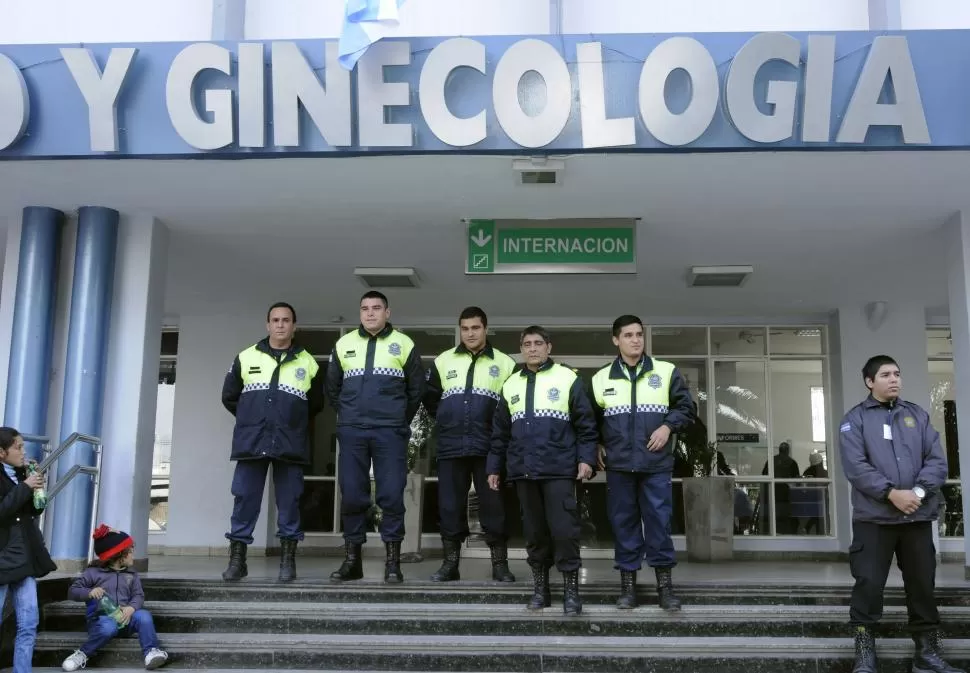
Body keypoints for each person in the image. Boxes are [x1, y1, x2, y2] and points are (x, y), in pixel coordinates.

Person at [839, 355, 964, 673]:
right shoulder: (855, 420)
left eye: (897, 373)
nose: (894, 379)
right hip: (874, 520)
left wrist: (918, 493)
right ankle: (866, 656)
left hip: (916, 518)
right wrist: (891, 494)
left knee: (922, 584)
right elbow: (856, 468)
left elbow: (937, 461)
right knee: (868, 585)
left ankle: (927, 654)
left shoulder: (917, 416)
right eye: (885, 374)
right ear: (869, 382)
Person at [487, 326, 597, 615]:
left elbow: (586, 425)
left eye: (538, 343)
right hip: (524, 472)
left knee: (564, 531)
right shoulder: (510, 384)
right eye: (527, 344)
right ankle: (541, 590)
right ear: (521, 349)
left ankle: (571, 593)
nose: (532, 348)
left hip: (559, 471)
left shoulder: (568, 378)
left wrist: (586, 459)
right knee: (534, 534)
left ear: (549, 347)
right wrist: (494, 467)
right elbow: (500, 433)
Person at [590, 315, 695, 611]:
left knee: (659, 524)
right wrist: (597, 443)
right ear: (616, 340)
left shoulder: (665, 371)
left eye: (639, 334)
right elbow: (590, 421)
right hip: (620, 466)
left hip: (656, 465)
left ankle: (665, 588)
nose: (635, 340)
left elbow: (687, 407)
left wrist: (667, 427)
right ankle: (628, 589)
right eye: (628, 335)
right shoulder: (600, 379)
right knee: (624, 525)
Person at [220, 302, 324, 583]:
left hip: (290, 444)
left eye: (286, 320)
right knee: (244, 500)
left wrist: (289, 422)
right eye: (275, 320)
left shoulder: (309, 362)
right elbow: (230, 396)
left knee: (290, 502)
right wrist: (253, 420)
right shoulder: (246, 357)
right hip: (251, 443)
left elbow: (315, 404)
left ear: (294, 326)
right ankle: (237, 561)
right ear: (267, 325)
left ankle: (287, 563)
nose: (280, 325)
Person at [327, 291, 425, 584]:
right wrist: (349, 417)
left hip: (389, 432)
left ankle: (393, 564)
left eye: (376, 308)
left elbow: (416, 390)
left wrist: (396, 420)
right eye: (365, 309)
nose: (370, 313)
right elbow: (332, 390)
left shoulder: (404, 344)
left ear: (388, 312)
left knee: (392, 495)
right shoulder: (344, 344)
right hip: (353, 432)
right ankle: (352, 561)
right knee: (353, 494)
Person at [424, 306, 517, 582]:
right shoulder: (444, 361)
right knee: (449, 506)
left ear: (485, 329)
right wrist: (445, 418)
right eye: (465, 328)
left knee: (494, 506)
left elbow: (513, 405)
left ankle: (499, 564)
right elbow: (430, 398)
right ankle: (450, 564)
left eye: (475, 328)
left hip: (490, 448)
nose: (470, 333)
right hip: (451, 447)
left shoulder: (505, 363)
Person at [62, 525, 168, 671]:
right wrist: (90, 592)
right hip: (101, 622)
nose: (133, 555)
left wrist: (131, 608)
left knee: (144, 616)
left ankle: (151, 652)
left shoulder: (132, 574)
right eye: (130, 552)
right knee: (108, 627)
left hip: (125, 619)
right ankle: (82, 654)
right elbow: (73, 591)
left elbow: (138, 595)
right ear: (119, 555)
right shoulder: (93, 572)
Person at [0, 427, 55, 673]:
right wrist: (25, 486)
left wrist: (36, 490)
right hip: (3, 558)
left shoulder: (20, 473)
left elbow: (32, 512)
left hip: (25, 558)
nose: (23, 452)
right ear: (1, 452)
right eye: (18, 447)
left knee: (28, 623)